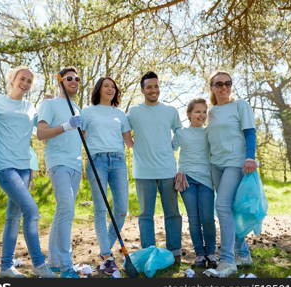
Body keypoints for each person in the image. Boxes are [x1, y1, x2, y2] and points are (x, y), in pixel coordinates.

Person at [0, 66, 56, 278]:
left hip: (24, 166)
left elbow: (43, 132)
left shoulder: (30, 108)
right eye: (22, 78)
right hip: (3, 165)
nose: (25, 83)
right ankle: (39, 263)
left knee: (13, 216)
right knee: (32, 210)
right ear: (12, 78)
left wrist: (49, 104)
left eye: (29, 81)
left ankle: (5, 267)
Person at [127, 71, 183, 264]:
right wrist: (132, 145)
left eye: (156, 86)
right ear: (143, 90)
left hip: (167, 170)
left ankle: (174, 250)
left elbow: (179, 130)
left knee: (172, 213)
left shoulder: (170, 111)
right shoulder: (134, 112)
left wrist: (173, 147)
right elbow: (123, 129)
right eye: (149, 87)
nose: (153, 90)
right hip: (143, 172)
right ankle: (149, 251)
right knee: (145, 214)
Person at [206, 70, 257, 277]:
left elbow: (250, 132)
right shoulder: (211, 112)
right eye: (219, 84)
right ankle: (243, 254)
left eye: (227, 83)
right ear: (212, 87)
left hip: (235, 163)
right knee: (227, 210)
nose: (224, 87)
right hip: (215, 164)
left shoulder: (240, 105)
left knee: (223, 206)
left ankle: (227, 261)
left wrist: (249, 157)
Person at [81, 77, 133, 275]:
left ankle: (106, 251)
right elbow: (80, 138)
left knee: (121, 210)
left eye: (113, 87)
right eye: (106, 86)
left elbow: (130, 142)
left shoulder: (120, 114)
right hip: (97, 161)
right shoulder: (87, 112)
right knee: (101, 209)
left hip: (119, 161)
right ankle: (106, 255)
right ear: (98, 89)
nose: (110, 89)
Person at [37, 66, 83, 278]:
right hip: (58, 162)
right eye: (69, 78)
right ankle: (66, 266)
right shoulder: (50, 103)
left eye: (77, 79)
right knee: (67, 209)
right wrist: (65, 126)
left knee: (62, 212)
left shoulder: (77, 107)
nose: (74, 81)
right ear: (60, 81)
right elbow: (41, 134)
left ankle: (54, 262)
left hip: (75, 164)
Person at [172, 98, 216, 268]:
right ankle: (199, 254)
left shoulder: (209, 133)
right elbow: (168, 150)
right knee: (194, 218)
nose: (202, 115)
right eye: (197, 111)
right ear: (189, 114)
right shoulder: (181, 133)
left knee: (207, 217)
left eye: (204, 112)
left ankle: (211, 252)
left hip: (206, 179)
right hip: (187, 180)